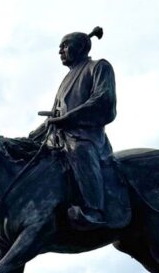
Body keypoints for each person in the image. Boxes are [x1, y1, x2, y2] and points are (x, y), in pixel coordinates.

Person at [31, 26, 116, 230]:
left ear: (79, 47)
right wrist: (33, 136)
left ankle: (94, 210)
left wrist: (69, 118)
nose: (60, 51)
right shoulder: (66, 80)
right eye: (59, 47)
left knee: (79, 151)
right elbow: (54, 116)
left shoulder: (99, 67)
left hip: (85, 137)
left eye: (65, 46)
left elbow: (103, 98)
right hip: (59, 138)